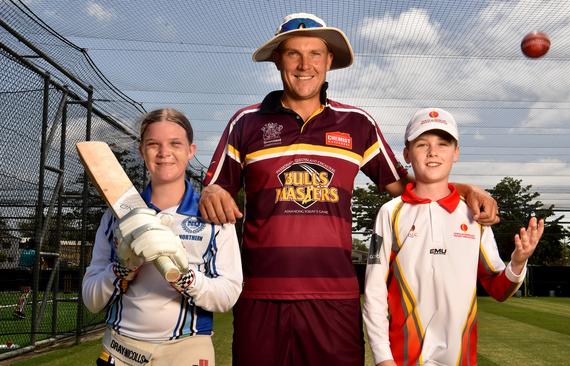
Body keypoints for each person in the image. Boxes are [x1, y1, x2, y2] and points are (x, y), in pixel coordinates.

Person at [199, 13, 499, 366]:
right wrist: (211, 193)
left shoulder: (357, 124)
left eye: (315, 54)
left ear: (329, 62)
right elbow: (214, 189)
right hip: (261, 295)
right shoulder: (245, 122)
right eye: (294, 53)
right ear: (279, 59)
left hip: (335, 297)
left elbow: (403, 187)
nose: (304, 64)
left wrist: (465, 189)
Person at [363, 107, 545, 366]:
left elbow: (499, 289)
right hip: (403, 358)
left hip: (460, 358)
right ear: (406, 153)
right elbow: (374, 291)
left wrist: (517, 262)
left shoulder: (474, 215)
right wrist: (383, 358)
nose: (433, 152)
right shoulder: (389, 214)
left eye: (443, 144)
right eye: (422, 144)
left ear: (456, 152)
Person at [82, 108, 242, 366]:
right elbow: (91, 299)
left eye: (175, 144)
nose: (164, 152)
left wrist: (185, 277)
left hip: (187, 349)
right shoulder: (115, 217)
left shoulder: (213, 216)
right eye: (153, 144)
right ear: (141, 150)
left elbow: (228, 294)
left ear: (191, 150)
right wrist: (123, 270)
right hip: (120, 350)